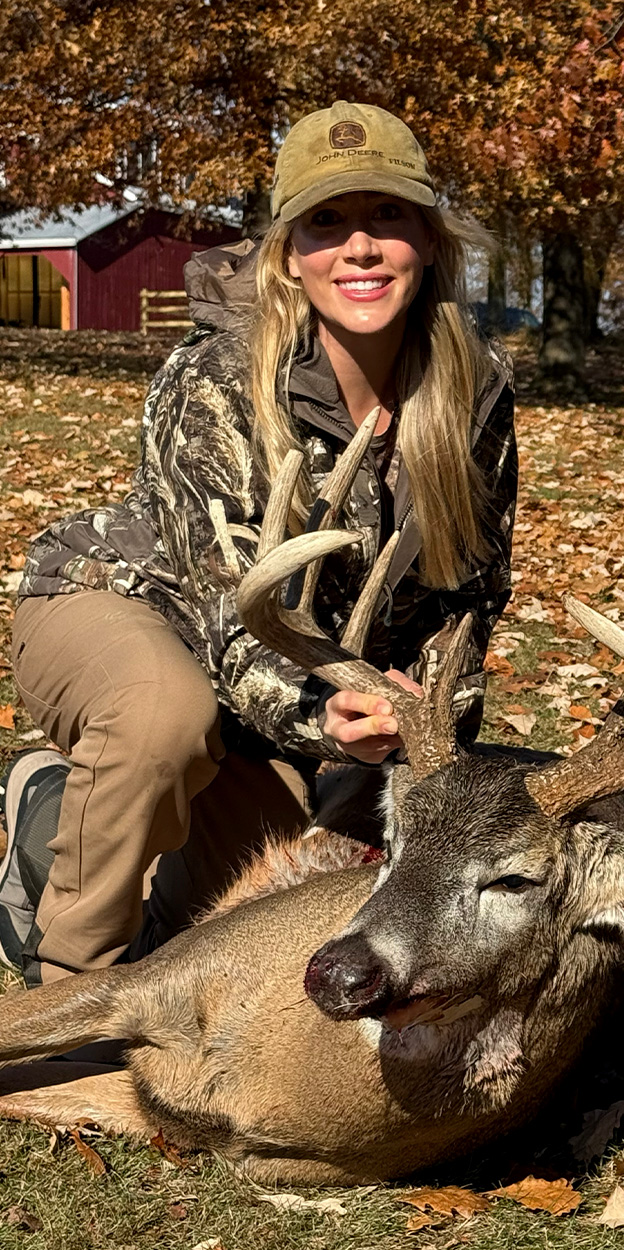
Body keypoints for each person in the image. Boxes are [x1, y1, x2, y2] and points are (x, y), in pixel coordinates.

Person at [0, 101, 517, 989]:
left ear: (430, 240)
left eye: (387, 216)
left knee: (255, 905)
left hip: (304, 680)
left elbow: (471, 596)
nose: (360, 248)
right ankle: (66, 985)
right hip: (124, 605)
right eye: (328, 222)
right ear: (288, 251)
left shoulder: (474, 385)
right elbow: (231, 620)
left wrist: (425, 712)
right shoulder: (216, 380)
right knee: (165, 720)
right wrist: (323, 721)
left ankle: (69, 819)